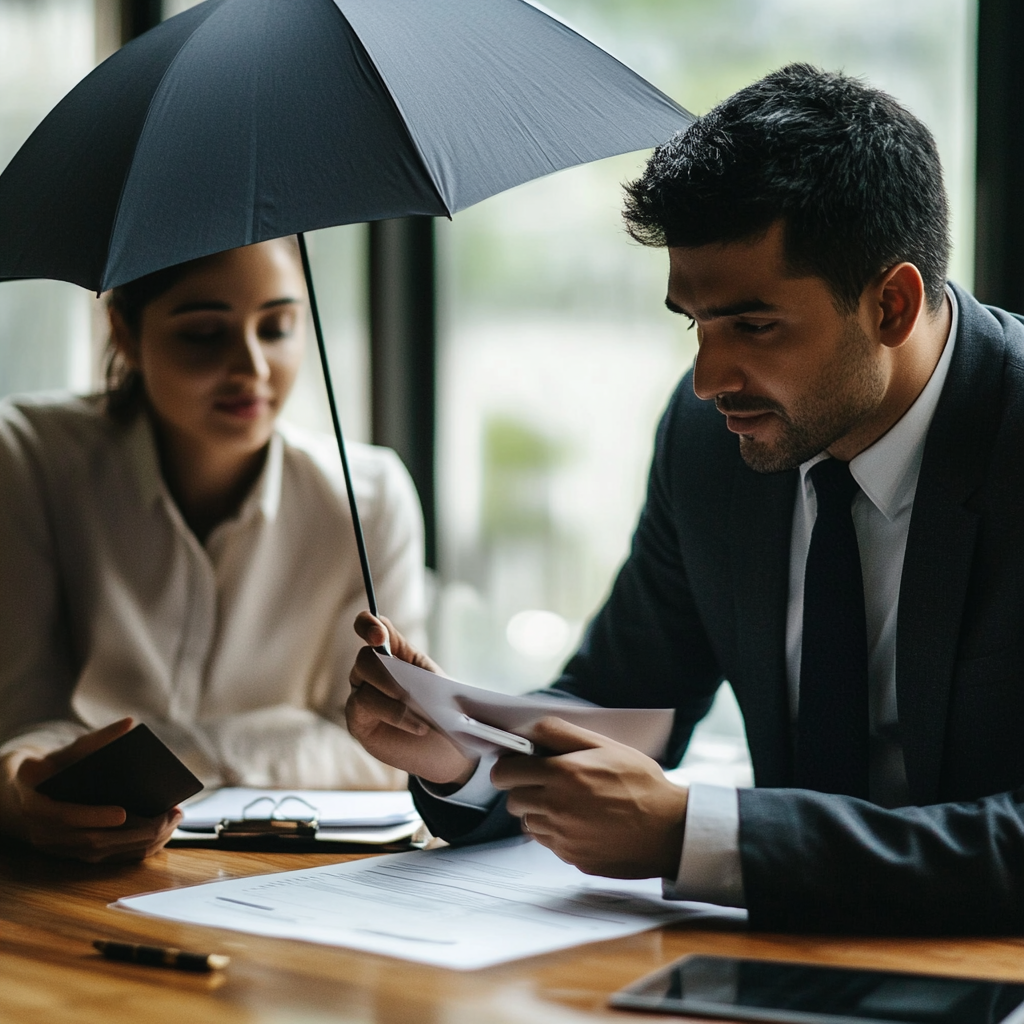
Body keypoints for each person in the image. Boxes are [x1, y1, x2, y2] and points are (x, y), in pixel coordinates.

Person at [346, 63, 1024, 935]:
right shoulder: (714, 444)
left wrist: (693, 836)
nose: (707, 380)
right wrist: (466, 750)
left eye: (752, 325)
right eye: (693, 324)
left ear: (892, 304)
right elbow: (628, 699)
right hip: (771, 966)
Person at [0, 237, 426, 862]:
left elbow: (383, 751)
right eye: (204, 334)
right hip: (69, 871)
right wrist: (23, 795)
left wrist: (168, 755)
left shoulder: (370, 497)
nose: (252, 367)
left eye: (277, 327)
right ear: (122, 330)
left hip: (284, 873)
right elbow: (20, 727)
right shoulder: (28, 459)